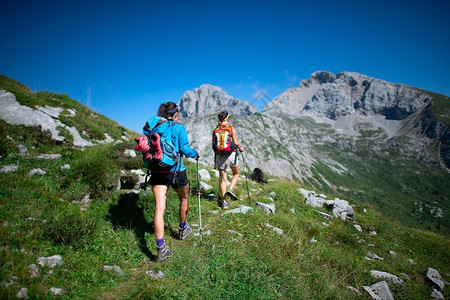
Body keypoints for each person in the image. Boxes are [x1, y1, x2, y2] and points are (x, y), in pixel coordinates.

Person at [150, 101, 200, 262]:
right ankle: (183, 228)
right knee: (184, 198)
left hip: (158, 171)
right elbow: (185, 150)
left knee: (159, 208)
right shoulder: (179, 128)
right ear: (176, 114)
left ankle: (161, 248)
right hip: (176, 171)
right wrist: (196, 152)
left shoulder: (155, 127)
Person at [212, 111, 244, 209]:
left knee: (223, 179)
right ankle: (230, 189)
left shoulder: (215, 130)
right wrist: (241, 148)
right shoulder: (231, 128)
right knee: (236, 173)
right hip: (231, 154)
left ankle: (224, 202)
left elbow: (213, 145)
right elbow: (236, 142)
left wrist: (217, 155)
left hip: (220, 156)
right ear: (227, 119)